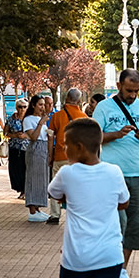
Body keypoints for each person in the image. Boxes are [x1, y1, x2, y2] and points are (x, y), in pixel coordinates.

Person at [48, 118, 130, 278]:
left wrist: (70, 198)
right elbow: (124, 202)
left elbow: (54, 193)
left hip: (76, 258)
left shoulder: (67, 173)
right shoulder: (114, 172)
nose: (64, 148)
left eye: (66, 144)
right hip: (109, 256)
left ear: (79, 148)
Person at [92, 69, 139, 278]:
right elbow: (93, 137)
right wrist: (115, 135)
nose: (133, 95)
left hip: (136, 173)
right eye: (129, 90)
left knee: (134, 222)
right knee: (115, 223)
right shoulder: (104, 107)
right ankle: (109, 271)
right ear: (119, 85)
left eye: (136, 91)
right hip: (111, 174)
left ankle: (121, 270)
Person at [48, 88, 86, 225]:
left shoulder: (56, 116)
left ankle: (54, 214)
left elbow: (50, 137)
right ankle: (75, 214)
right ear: (79, 101)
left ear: (65, 99)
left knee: (55, 185)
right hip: (77, 158)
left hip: (59, 155)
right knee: (76, 186)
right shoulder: (83, 117)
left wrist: (50, 156)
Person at [23, 95, 52, 222]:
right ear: (33, 105)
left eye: (43, 104)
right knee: (33, 179)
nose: (42, 107)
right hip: (35, 148)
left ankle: (38, 207)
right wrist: (41, 123)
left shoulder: (41, 119)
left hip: (43, 148)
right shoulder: (28, 120)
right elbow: (33, 137)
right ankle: (32, 210)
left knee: (41, 179)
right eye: (40, 104)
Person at [5, 98, 29, 198]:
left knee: (26, 169)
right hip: (14, 148)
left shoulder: (30, 119)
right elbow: (5, 133)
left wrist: (26, 135)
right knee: (15, 170)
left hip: (27, 148)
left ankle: (25, 191)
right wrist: (14, 135)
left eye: (24, 107)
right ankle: (20, 189)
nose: (22, 109)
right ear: (16, 107)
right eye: (20, 107)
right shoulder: (11, 119)